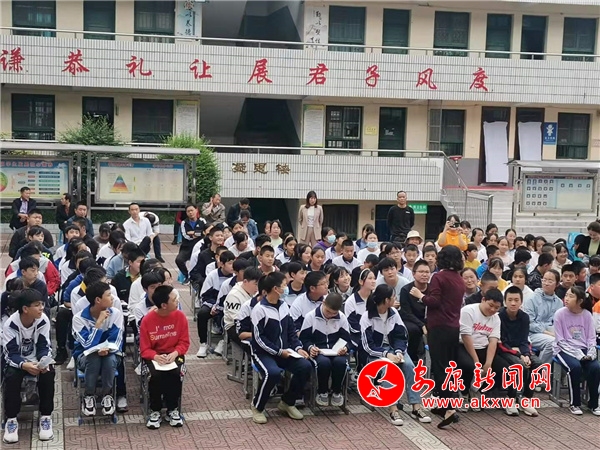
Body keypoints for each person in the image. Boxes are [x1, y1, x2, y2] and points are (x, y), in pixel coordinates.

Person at [360, 284, 431, 426]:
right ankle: (393, 409)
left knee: (410, 366)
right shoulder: (367, 317)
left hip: (395, 350)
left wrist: (398, 352)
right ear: (386, 300)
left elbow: (401, 336)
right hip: (376, 353)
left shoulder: (393, 313)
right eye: (393, 297)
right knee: (389, 369)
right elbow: (368, 346)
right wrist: (387, 355)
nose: (395, 299)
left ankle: (416, 407)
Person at [250, 272, 312, 424]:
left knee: (305, 366)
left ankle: (287, 402)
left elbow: (291, 330)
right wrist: (278, 352)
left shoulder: (284, 305)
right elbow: (259, 339)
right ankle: (257, 407)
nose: (286, 287)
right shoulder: (259, 309)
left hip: (285, 351)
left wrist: (298, 348)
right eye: (284, 285)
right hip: (263, 353)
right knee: (272, 373)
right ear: (276, 289)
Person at [2, 289, 54, 444]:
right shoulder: (10, 324)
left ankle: (45, 417)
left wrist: (43, 361)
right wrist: (24, 365)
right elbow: (10, 353)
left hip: (36, 360)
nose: (41, 308)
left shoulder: (43, 320)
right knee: (11, 376)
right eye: (37, 305)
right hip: (18, 362)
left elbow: (44, 345)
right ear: (25, 309)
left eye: (42, 304)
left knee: (48, 373)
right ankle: (11, 419)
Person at [420, 245, 465, 428]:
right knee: (449, 367)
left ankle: (449, 409)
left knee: (440, 368)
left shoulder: (439, 277)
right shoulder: (459, 279)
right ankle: (444, 404)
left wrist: (420, 296)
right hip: (453, 327)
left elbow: (434, 301)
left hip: (438, 327)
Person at [140, 285, 190, 428]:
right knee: (156, 375)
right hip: (155, 356)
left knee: (175, 373)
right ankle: (155, 410)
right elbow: (144, 349)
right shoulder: (147, 320)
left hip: (175, 354)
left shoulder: (180, 316)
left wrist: (175, 353)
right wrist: (155, 356)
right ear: (164, 305)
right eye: (174, 299)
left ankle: (172, 409)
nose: (177, 301)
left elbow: (184, 342)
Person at [72, 281, 124, 417]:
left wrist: (107, 349)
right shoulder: (79, 319)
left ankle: (107, 395)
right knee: (93, 357)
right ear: (98, 300)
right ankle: (89, 395)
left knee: (109, 358)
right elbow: (87, 345)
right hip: (85, 358)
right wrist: (98, 324)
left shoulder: (116, 314)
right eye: (109, 295)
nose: (112, 298)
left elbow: (116, 341)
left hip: (110, 354)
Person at [553, 286, 600, 415]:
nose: (566, 299)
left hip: (583, 349)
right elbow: (560, 341)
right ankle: (575, 403)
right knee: (575, 367)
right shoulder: (560, 314)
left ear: (580, 301)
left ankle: (593, 404)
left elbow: (591, 338)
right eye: (566, 295)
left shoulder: (587, 315)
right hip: (563, 349)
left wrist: (590, 354)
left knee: (596, 367)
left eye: (571, 296)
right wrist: (578, 355)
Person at [300, 293, 351, 407]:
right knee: (323, 363)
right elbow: (304, 339)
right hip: (318, 351)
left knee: (341, 363)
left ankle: (337, 391)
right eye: (328, 312)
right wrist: (310, 348)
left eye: (334, 313)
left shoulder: (342, 317)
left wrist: (345, 348)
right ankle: (322, 391)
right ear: (323, 303)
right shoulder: (311, 316)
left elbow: (348, 340)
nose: (330, 315)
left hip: (336, 352)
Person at [496, 286, 540, 417]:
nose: (513, 303)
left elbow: (524, 340)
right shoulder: (499, 317)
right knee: (519, 366)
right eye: (510, 300)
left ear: (521, 301)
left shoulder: (524, 317)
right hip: (504, 350)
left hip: (520, 350)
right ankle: (510, 399)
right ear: (505, 302)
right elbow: (501, 342)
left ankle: (526, 399)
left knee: (537, 364)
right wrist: (519, 355)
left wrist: (526, 354)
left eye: (516, 300)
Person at [457, 288, 502, 411]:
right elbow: (466, 337)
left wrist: (488, 363)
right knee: (469, 366)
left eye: (496, 308)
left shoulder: (496, 318)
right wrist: (477, 362)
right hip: (463, 346)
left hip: (483, 347)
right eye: (490, 305)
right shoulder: (468, 311)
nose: (492, 310)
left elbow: (493, 341)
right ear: (483, 300)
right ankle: (463, 393)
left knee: (502, 368)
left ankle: (476, 390)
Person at [196, 251, 235, 358]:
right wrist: (214, 306)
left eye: (233, 263)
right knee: (202, 314)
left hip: (227, 305)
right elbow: (205, 295)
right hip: (212, 303)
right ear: (221, 264)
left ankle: (224, 341)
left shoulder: (235, 276)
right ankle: (203, 343)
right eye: (229, 263)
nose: (232, 266)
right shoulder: (212, 275)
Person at [523, 269, 563, 365]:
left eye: (550, 281)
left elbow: (558, 323)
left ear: (557, 284)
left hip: (551, 333)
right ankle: (540, 370)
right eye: (544, 280)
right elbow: (529, 323)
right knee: (552, 343)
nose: (546, 283)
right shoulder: (532, 298)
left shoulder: (559, 302)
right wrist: (547, 332)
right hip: (532, 334)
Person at [223, 267, 262, 347]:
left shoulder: (254, 291)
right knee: (256, 343)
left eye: (259, 284)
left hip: (250, 323)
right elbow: (236, 319)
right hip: (234, 327)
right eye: (255, 284)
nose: (257, 288)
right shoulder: (234, 295)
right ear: (245, 281)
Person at [401, 260, 430, 364]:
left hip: (429, 319)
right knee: (413, 330)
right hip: (412, 320)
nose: (424, 274)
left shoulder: (433, 289)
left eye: (427, 272)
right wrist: (421, 325)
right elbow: (406, 312)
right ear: (413, 274)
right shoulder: (406, 290)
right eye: (421, 272)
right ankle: (413, 358)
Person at [175, 204, 206, 283]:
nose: (190, 213)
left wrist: (194, 233)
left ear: (196, 210)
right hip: (187, 247)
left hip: (200, 246)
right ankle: (187, 276)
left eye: (192, 210)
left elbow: (206, 232)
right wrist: (199, 234)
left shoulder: (202, 221)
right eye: (188, 211)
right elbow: (185, 236)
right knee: (179, 260)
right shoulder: (184, 223)